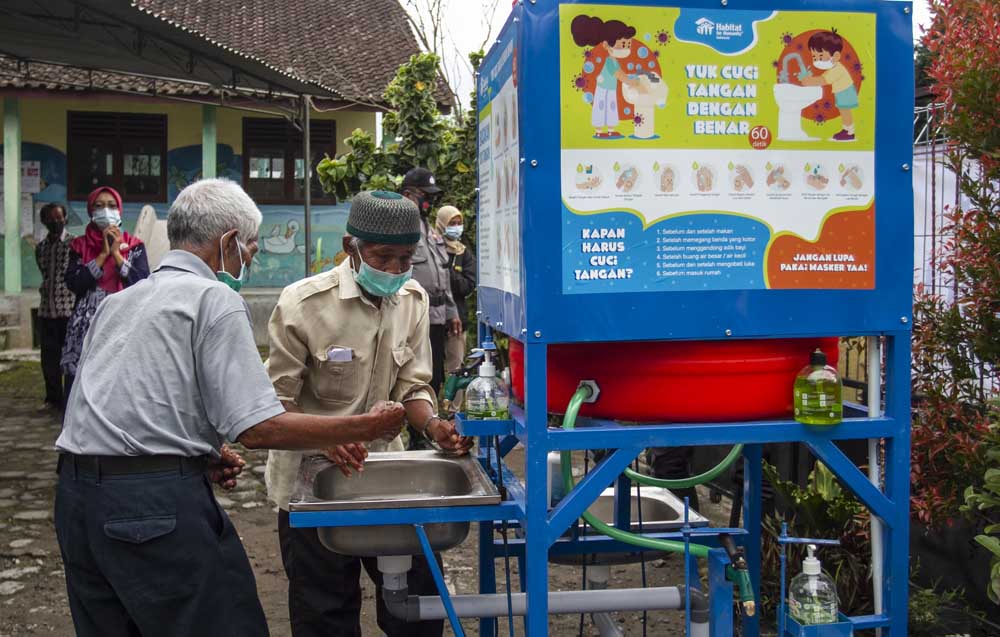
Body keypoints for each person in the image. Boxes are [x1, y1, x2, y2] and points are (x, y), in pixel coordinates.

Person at [54, 178, 406, 637]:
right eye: (252, 250)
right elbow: (259, 428)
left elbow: (121, 401)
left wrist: (197, 452)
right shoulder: (214, 298)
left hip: (77, 501)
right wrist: (365, 425)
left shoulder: (121, 300)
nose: (251, 263)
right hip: (152, 505)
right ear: (229, 243)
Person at [264, 190, 472, 637]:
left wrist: (434, 426)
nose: (396, 270)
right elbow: (275, 403)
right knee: (325, 612)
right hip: (310, 479)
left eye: (406, 259)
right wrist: (325, 437)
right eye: (384, 258)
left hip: (381, 470)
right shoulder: (303, 305)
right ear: (350, 247)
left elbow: (412, 385)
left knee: (417, 606)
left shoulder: (412, 301)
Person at [61, 187, 150, 399]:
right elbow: (75, 283)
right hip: (85, 328)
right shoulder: (78, 245)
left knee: (118, 387)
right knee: (79, 389)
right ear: (90, 211)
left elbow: (142, 283)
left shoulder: (135, 246)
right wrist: (102, 254)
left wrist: (117, 255)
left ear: (119, 210)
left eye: (111, 205)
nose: (106, 211)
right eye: (99, 206)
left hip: (123, 325)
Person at [400, 167, 462, 393]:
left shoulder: (428, 228)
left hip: (435, 317)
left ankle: (428, 424)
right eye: (425, 196)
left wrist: (451, 312)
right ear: (408, 196)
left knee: (435, 375)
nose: (429, 202)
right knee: (416, 376)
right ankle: (418, 426)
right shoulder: (400, 227)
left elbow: (442, 273)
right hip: (412, 316)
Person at [34, 203, 75, 410]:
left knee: (69, 356)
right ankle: (52, 398)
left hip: (68, 310)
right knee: (49, 358)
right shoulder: (40, 247)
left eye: (59, 218)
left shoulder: (73, 244)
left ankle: (71, 398)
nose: (55, 222)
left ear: (65, 218)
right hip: (46, 310)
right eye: (50, 219)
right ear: (44, 222)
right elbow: (44, 273)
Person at [435, 205, 477, 372]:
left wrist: (448, 271)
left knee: (456, 368)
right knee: (431, 367)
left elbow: (467, 286)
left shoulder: (463, 253)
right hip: (433, 318)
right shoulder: (431, 247)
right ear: (442, 224)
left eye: (459, 223)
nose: (456, 227)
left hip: (457, 320)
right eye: (452, 223)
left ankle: (453, 400)